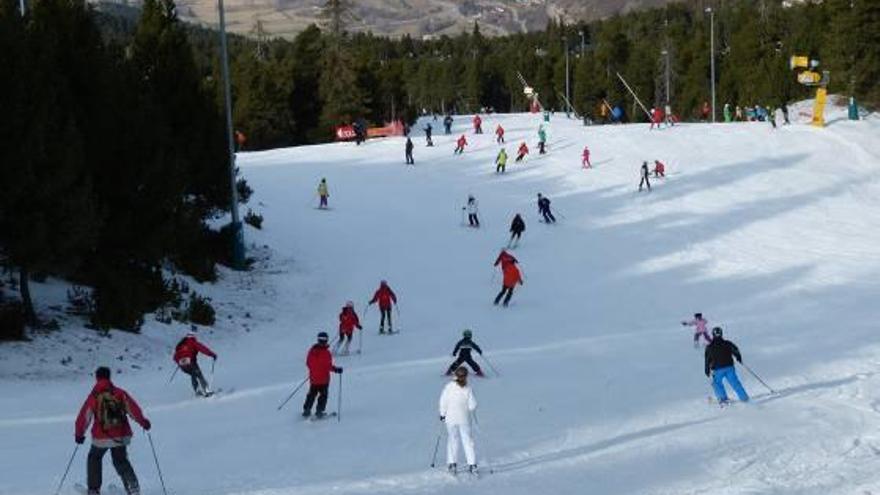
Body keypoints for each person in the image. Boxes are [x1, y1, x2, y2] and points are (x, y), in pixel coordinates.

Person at [75, 367, 151, 495]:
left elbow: (84, 416)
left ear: (97, 377)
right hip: (121, 435)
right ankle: (132, 487)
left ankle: (93, 490)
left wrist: (79, 434)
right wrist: (143, 422)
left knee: (94, 458)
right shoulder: (119, 393)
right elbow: (133, 410)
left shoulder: (94, 395)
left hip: (101, 437)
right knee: (120, 460)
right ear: (109, 377)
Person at [439, 366, 478, 474]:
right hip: (464, 419)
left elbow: (443, 401)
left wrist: (442, 414)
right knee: (467, 441)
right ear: (466, 376)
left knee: (453, 439)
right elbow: (472, 406)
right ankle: (472, 464)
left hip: (450, 419)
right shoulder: (468, 388)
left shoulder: (448, 387)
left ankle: (452, 464)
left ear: (455, 375)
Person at [705, 327, 749, 404]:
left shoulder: (710, 347)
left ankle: (723, 399)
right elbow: (735, 350)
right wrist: (738, 357)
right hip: (729, 367)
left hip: (718, 369)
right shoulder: (727, 343)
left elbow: (707, 359)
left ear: (713, 335)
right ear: (721, 334)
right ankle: (744, 398)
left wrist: (707, 369)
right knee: (735, 383)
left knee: (717, 383)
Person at [303, 332, 343, 418]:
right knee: (323, 395)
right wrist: (336, 369)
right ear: (326, 341)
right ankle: (319, 411)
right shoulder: (326, 353)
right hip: (324, 380)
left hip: (313, 378)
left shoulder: (312, 351)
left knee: (311, 394)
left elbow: (308, 363)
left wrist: (314, 370)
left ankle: (307, 410)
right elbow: (328, 366)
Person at [173, 332, 217, 396]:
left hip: (182, 366)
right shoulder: (193, 342)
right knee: (199, 375)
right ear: (193, 336)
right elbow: (203, 349)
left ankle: (197, 391)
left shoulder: (181, 344)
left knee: (193, 374)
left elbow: (174, 357)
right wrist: (212, 355)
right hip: (191, 362)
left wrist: (180, 362)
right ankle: (206, 390)